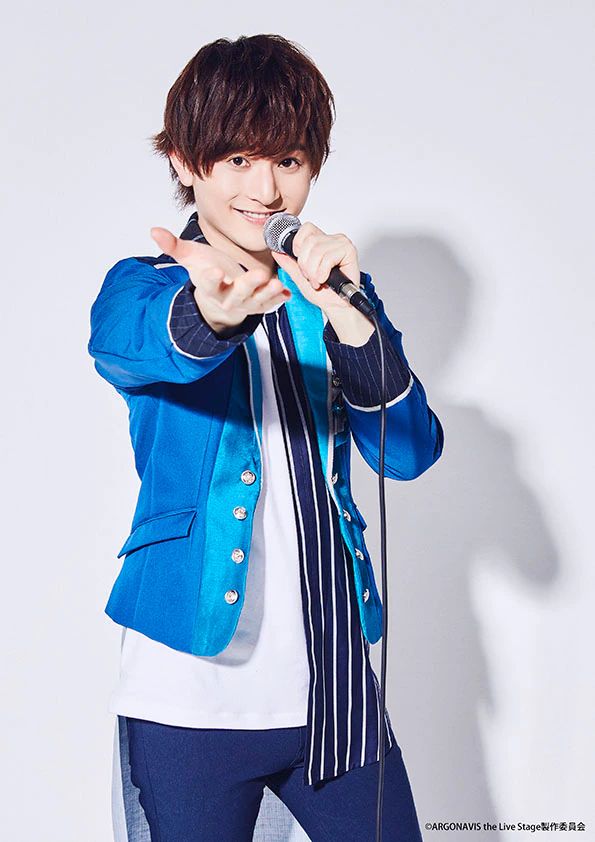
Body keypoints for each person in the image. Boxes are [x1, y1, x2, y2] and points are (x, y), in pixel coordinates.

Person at [88, 33, 443, 842]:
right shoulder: (145, 288)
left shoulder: (338, 297)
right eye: (239, 159)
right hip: (188, 697)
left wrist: (351, 317)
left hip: (334, 689)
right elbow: (129, 346)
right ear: (184, 161)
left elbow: (408, 453)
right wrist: (209, 314)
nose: (266, 188)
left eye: (287, 160)